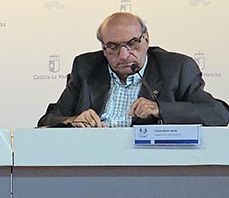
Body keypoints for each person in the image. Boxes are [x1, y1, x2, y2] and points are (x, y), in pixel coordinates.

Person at [38, 12, 229, 127]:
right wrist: (73, 120)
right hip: (93, 159)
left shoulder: (176, 68)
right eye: (112, 46)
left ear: (146, 39)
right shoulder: (86, 67)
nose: (123, 55)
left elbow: (218, 113)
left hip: (151, 163)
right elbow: (48, 119)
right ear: (103, 48)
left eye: (132, 43)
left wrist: (160, 109)